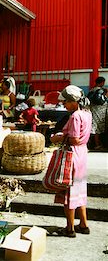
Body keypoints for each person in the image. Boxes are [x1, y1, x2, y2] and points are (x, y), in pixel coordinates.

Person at [50, 85, 92, 237]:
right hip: (82, 154)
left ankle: (70, 228)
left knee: (69, 193)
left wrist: (58, 137)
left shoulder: (75, 116)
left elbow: (73, 139)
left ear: (73, 101)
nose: (64, 105)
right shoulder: (87, 113)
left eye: (65, 102)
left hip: (72, 155)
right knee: (80, 191)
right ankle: (83, 224)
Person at [88, 76, 108, 150]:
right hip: (100, 112)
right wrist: (106, 95)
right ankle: (98, 144)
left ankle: (94, 144)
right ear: (102, 82)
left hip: (93, 110)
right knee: (98, 129)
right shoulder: (100, 91)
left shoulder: (92, 90)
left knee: (95, 127)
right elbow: (101, 101)